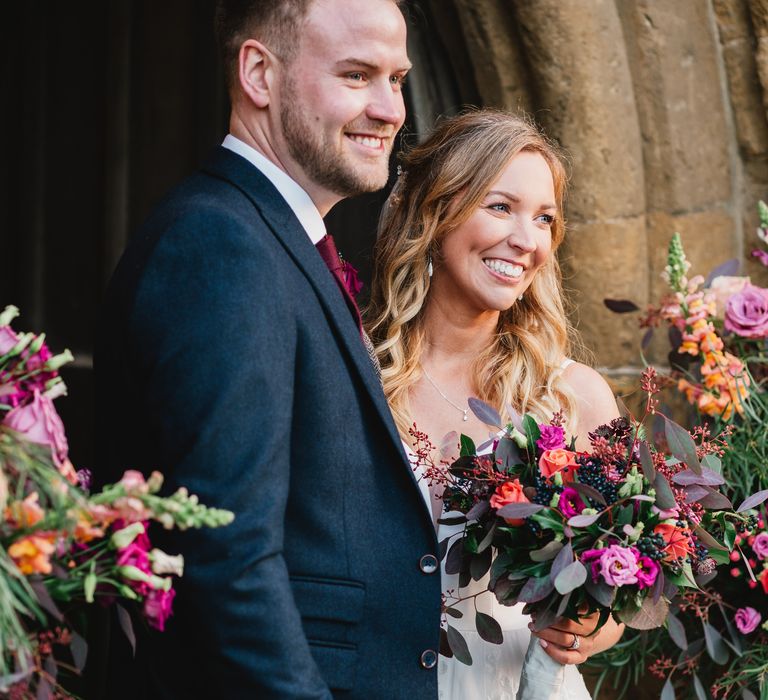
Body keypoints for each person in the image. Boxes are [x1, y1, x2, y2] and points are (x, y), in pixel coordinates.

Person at [92, 1, 443, 698]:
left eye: (397, 79)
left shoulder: (274, 238)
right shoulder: (221, 244)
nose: (390, 108)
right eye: (356, 75)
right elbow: (227, 554)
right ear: (258, 72)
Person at [367, 110, 625, 698]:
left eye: (544, 219)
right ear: (436, 213)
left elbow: (625, 588)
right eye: (501, 206)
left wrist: (587, 627)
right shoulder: (357, 376)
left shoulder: (574, 396)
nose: (526, 239)